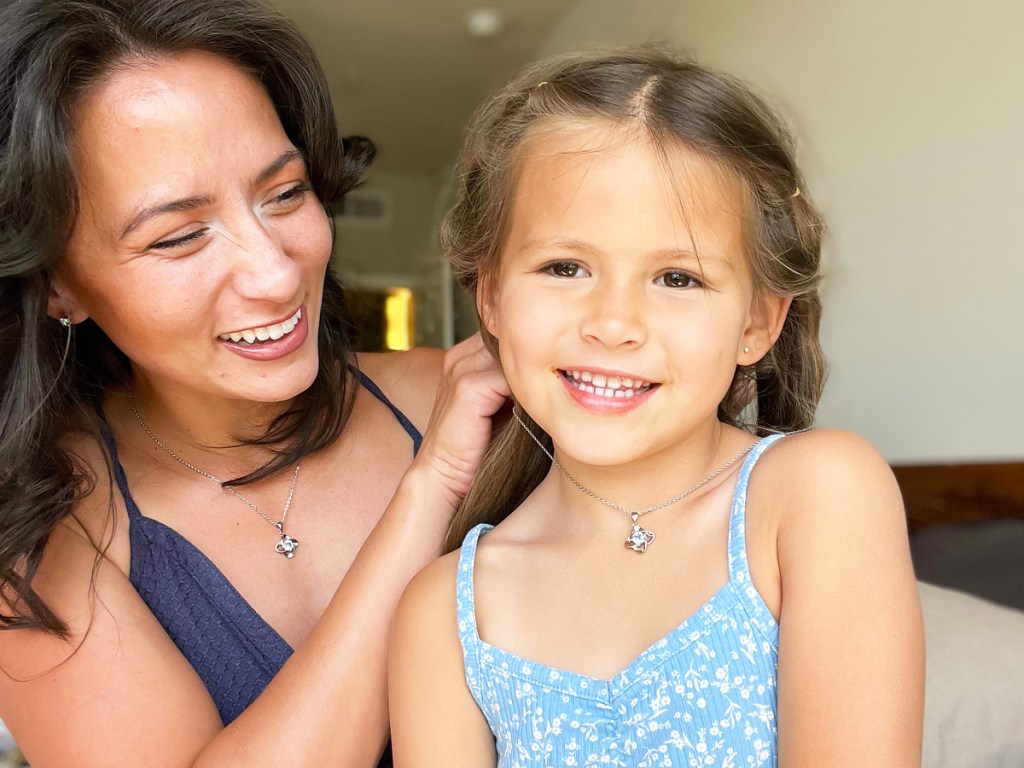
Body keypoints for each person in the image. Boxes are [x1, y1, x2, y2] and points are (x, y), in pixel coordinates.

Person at [0, 1, 508, 766]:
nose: (276, 274)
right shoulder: (43, 533)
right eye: (177, 236)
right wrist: (428, 491)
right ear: (57, 286)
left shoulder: (468, 398)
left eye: (285, 193)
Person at [389, 47, 925, 767]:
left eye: (677, 277)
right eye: (564, 267)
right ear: (490, 295)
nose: (613, 323)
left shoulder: (815, 496)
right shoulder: (446, 614)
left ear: (757, 324)